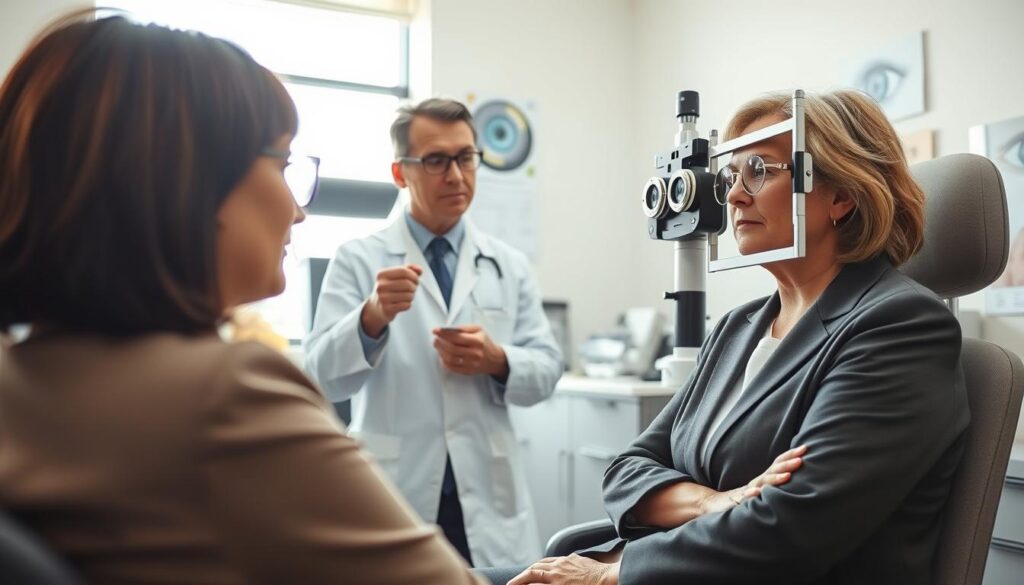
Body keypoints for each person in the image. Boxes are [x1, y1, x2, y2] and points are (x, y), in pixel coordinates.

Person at [0, 13, 486, 584]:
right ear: (186, 181)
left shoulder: (17, 378)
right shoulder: (226, 396)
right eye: (283, 164)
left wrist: (501, 360)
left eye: (466, 158)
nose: (297, 208)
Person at [479, 89, 969, 585]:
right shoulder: (738, 327)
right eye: (732, 175)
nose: (733, 194)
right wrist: (712, 502)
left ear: (842, 196)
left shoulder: (898, 326)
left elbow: (791, 528)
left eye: (759, 170)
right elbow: (627, 470)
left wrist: (612, 575)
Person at [303, 98, 563, 567]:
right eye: (436, 161)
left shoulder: (508, 263)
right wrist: (372, 317)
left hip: (487, 492)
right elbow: (321, 377)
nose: (457, 175)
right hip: (396, 486)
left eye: (466, 157)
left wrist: (498, 360)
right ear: (401, 173)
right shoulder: (358, 258)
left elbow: (547, 369)